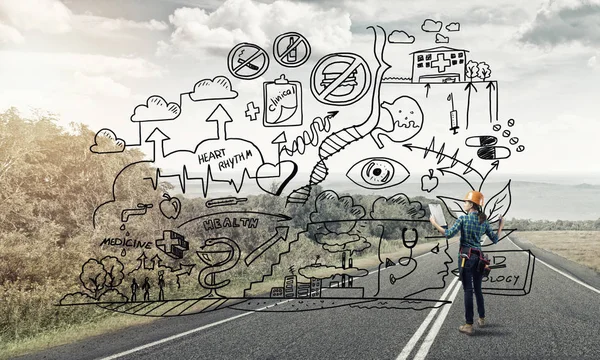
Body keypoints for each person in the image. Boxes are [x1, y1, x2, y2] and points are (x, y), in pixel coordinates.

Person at [429, 190, 505, 335]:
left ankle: (469, 324)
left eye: (465, 202)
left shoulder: (463, 219)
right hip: (479, 259)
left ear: (472, 204)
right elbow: (495, 239)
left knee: (468, 290)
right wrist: (501, 225)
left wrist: (434, 223)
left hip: (466, 258)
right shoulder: (484, 221)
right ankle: (482, 318)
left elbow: (448, 234)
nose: (464, 204)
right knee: (478, 290)